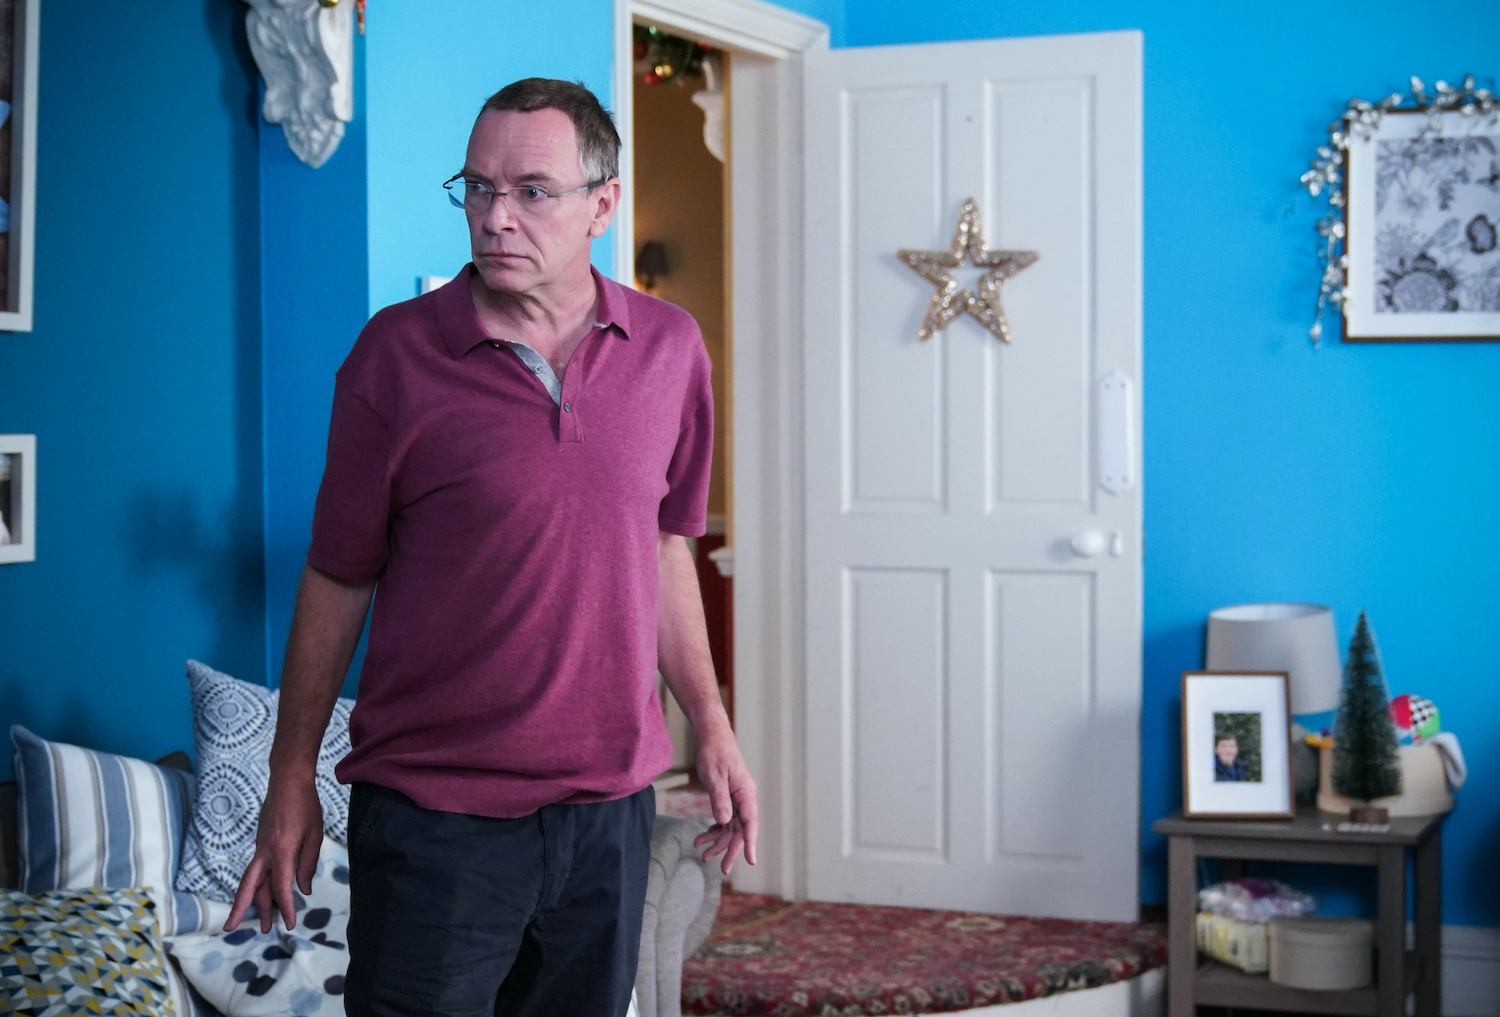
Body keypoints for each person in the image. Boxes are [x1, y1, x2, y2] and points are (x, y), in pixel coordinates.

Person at [224, 78, 757, 1017]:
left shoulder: (672, 348)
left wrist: (711, 724)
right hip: (435, 823)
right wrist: (290, 773)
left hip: (609, 815)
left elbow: (666, 545)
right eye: (478, 188)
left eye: (531, 191)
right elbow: (338, 574)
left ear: (603, 204)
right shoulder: (394, 356)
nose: (495, 216)